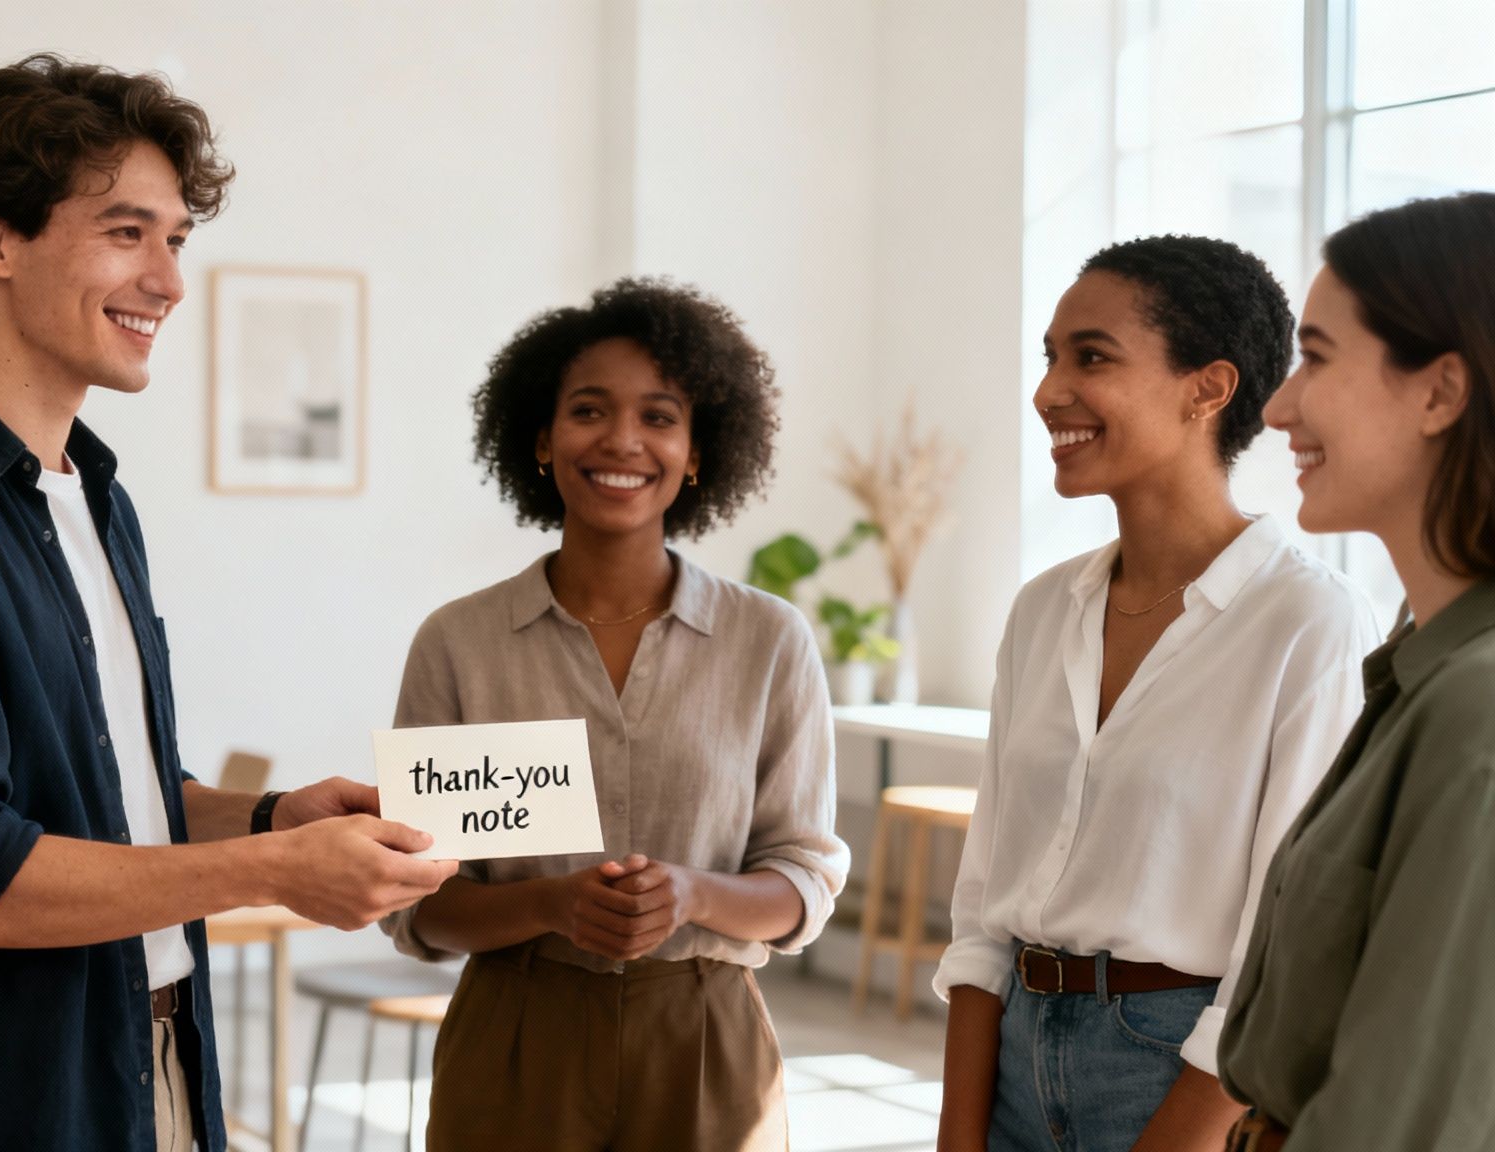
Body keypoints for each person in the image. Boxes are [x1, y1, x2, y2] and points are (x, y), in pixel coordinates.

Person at [0, 55, 454, 1152]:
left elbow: (100, 790)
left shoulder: (92, 493)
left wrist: (270, 817)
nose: (169, 282)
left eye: (175, 239)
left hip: (153, 1062)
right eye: (126, 233)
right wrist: (270, 872)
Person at [380, 278, 849, 1151]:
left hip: (707, 1036)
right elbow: (421, 904)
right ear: (542, 441)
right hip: (516, 1032)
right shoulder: (458, 643)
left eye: (660, 417)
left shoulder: (770, 640)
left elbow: (803, 883)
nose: (623, 441)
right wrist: (553, 904)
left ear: (698, 450)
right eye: (589, 410)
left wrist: (694, 894)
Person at [934, 236, 1380, 1152]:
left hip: (1177, 1074)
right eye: (1050, 357)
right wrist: (958, 1131)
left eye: (1090, 356)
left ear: (1207, 389)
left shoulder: (1308, 621)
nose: (1049, 390)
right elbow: (982, 907)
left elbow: (1285, 952)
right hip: (1011, 1051)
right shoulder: (1043, 610)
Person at [1218, 191, 1495, 1152]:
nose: (1279, 404)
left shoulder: (1477, 709)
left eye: (1317, 356)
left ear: (1440, 391)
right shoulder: (1422, 667)